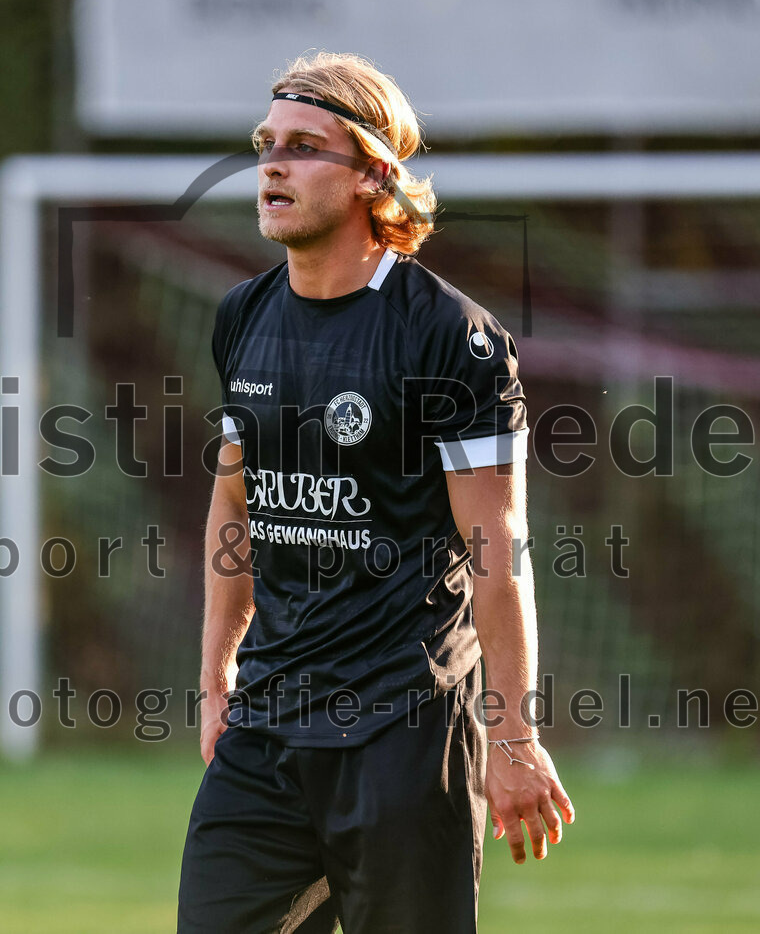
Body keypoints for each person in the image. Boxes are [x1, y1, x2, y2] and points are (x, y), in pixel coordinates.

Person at [178, 51, 575, 933]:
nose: (272, 165)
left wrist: (513, 735)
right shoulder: (242, 314)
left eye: (305, 147)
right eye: (264, 143)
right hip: (268, 730)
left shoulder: (450, 337)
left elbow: (498, 558)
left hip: (406, 732)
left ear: (373, 177)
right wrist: (215, 677)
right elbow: (234, 509)